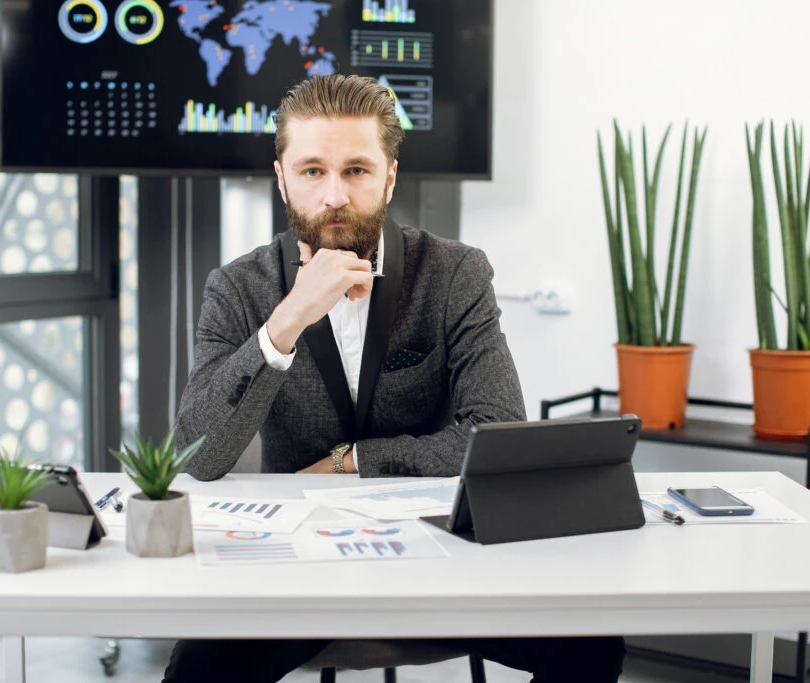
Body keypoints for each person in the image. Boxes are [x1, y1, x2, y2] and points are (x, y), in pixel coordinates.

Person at [166, 74, 624, 682]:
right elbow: (200, 454)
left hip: (441, 558)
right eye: (312, 171)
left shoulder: (455, 273)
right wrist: (289, 319)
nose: (334, 195)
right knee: (196, 670)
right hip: (297, 571)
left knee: (592, 646)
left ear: (389, 176)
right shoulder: (239, 287)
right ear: (281, 180)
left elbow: (496, 432)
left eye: (356, 170)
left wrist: (349, 460)